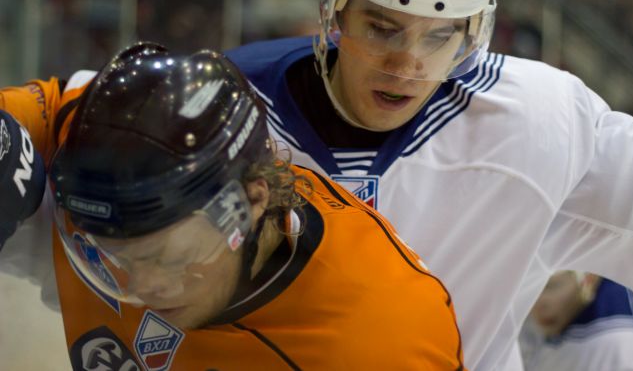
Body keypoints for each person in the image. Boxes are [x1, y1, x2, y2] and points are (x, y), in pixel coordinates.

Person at [221, 0, 633, 369]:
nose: (407, 64)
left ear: (473, 33)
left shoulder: (537, 125)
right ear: (334, 9)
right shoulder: (226, 107)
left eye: (440, 35)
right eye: (381, 28)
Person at [0, 43, 466, 370]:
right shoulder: (102, 147)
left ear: (252, 200)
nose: (143, 287)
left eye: (172, 258)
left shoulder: (384, 344)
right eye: (114, 257)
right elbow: (44, 111)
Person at [520, 271, 633, 371]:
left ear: (588, 280)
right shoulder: (616, 279)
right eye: (528, 288)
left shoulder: (602, 347)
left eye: (550, 287)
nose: (536, 303)